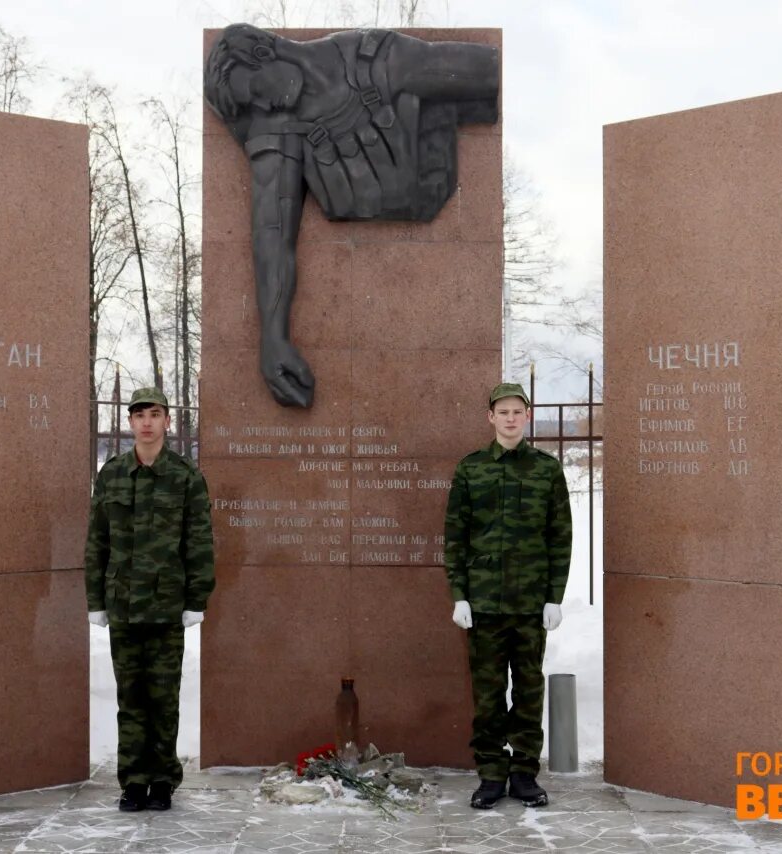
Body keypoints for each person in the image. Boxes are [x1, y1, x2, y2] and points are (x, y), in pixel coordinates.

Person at [204, 24, 499, 408]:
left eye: (254, 93)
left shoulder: (377, 59)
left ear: (265, 56)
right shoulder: (276, 122)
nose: (259, 108)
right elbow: (270, 232)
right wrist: (273, 340)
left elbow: (491, 76)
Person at [443, 382, 573, 809]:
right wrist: (459, 595)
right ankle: (492, 774)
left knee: (529, 689)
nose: (511, 418)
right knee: (488, 693)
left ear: (527, 416)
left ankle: (524, 774)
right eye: (503, 412)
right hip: (483, 605)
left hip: (530, 604)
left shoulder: (546, 470)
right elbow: (455, 538)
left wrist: (554, 597)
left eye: (518, 411)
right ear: (491, 418)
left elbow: (560, 536)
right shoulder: (471, 469)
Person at [85, 387, 215, 812]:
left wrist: (197, 599)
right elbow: (97, 541)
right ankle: (133, 780)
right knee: (131, 698)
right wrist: (95, 601)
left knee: (163, 696)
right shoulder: (113, 475)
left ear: (166, 422)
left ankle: (163, 779)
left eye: (154, 414)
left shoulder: (186, 476)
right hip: (122, 604)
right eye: (139, 414)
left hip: (165, 606)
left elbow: (198, 543)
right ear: (130, 422)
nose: (146, 422)